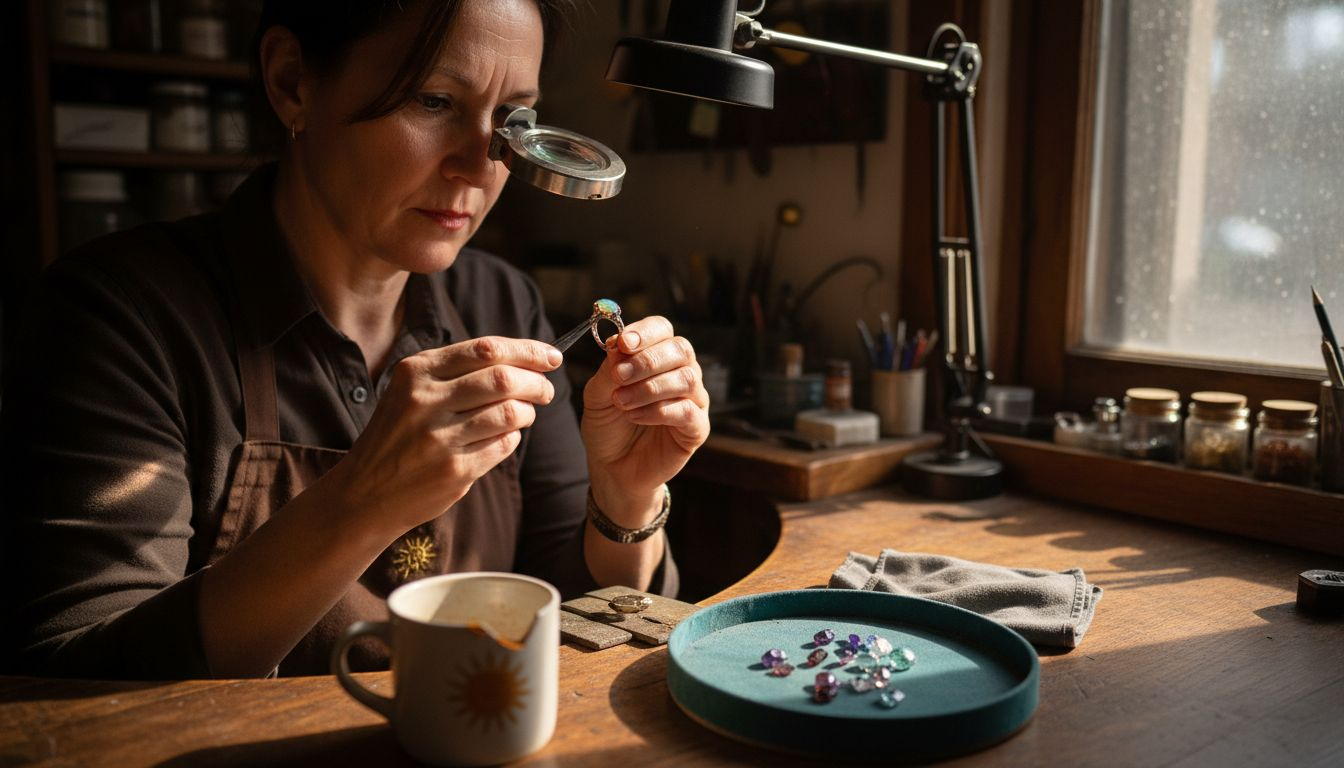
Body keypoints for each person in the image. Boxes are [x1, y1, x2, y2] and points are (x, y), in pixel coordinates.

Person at [0, 0, 710, 679]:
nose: (480, 164)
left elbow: (574, 607)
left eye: (512, 119)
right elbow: (73, 680)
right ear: (292, 83)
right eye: (434, 101)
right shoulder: (121, 316)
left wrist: (625, 499)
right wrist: (362, 501)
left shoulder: (502, 301)